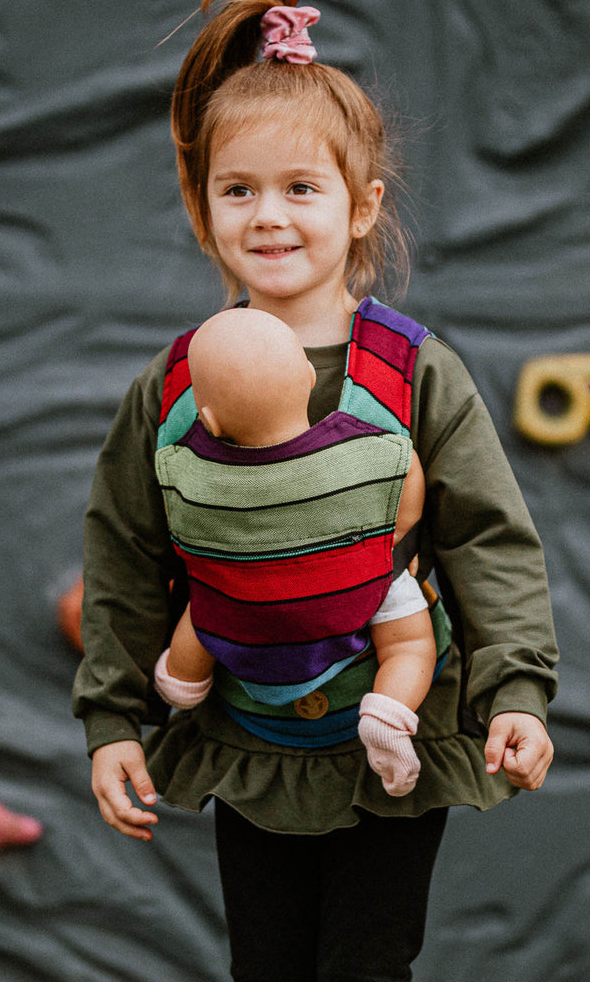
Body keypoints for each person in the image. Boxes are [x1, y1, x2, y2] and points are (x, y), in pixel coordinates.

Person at [73, 0, 558, 982]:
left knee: (367, 964)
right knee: (268, 964)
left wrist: (516, 689)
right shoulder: (173, 388)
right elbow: (123, 551)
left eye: (301, 187)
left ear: (362, 205)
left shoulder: (415, 373)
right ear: (204, 205)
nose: (269, 215)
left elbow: (488, 538)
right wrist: (113, 716)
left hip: (393, 738)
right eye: (238, 189)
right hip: (254, 744)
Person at [152, 307, 437, 798]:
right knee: (409, 643)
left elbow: (172, 524)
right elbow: (406, 470)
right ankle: (389, 711)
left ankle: (182, 681)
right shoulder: (367, 449)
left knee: (205, 606)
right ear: (309, 377)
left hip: (242, 605)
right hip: (356, 586)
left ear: (208, 419)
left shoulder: (186, 472)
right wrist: (397, 532)